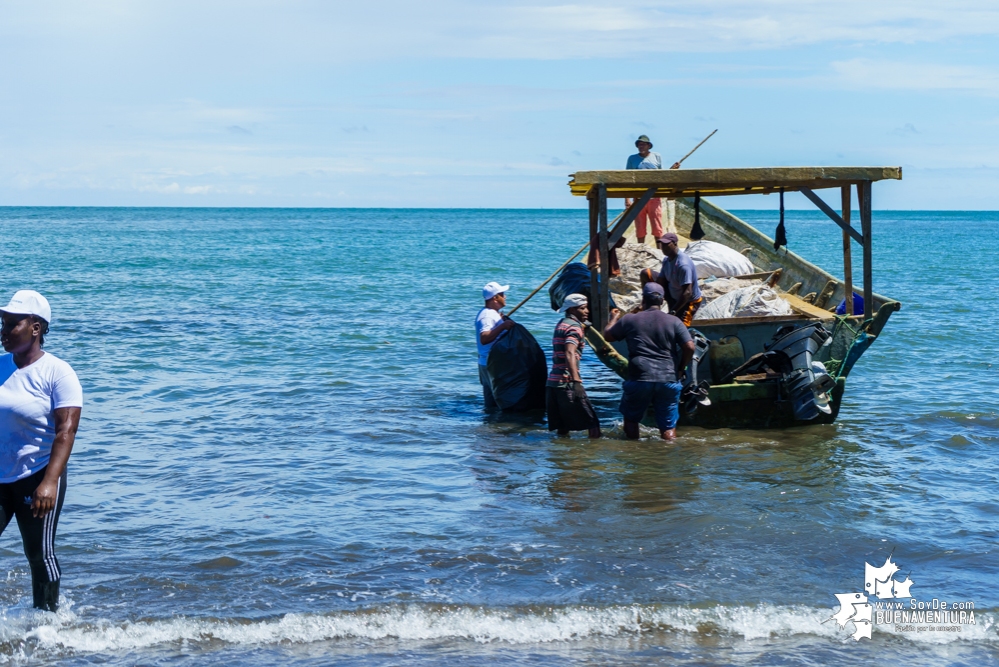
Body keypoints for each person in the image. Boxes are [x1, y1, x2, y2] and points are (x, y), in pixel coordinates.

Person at [0, 290, 82, 612]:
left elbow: (66, 431)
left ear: (36, 328)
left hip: (38, 475)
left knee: (38, 552)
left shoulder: (58, 373)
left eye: (10, 324)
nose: (3, 331)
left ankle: (47, 624)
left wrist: (49, 482)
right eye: (1, 324)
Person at [603, 283, 694, 441]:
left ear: (643, 299)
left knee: (631, 420)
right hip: (668, 378)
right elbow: (690, 347)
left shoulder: (630, 319)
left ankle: (636, 453)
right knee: (667, 426)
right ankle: (668, 453)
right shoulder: (674, 321)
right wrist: (681, 367)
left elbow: (608, 336)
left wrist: (613, 319)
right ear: (662, 301)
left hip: (640, 377)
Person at [546, 294, 601, 438]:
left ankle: (562, 457)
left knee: (563, 427)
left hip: (553, 383)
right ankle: (590, 456)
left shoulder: (562, 323)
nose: (587, 311)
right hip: (567, 382)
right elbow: (569, 353)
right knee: (592, 424)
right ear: (572, 309)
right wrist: (576, 382)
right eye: (582, 308)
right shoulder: (575, 328)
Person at [625, 135, 680, 244]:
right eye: (639, 144)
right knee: (640, 227)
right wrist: (627, 199)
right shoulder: (632, 158)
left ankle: (660, 251)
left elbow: (662, 175)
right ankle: (641, 249)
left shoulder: (656, 156)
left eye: (643, 144)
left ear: (649, 145)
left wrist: (672, 170)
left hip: (654, 197)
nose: (641, 146)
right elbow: (626, 179)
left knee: (657, 226)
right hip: (638, 197)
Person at [475, 281, 516, 409]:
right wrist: (503, 326)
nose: (505, 297)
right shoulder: (487, 316)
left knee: (492, 402)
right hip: (491, 364)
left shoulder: (491, 314)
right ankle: (496, 426)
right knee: (498, 400)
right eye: (502, 294)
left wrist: (500, 320)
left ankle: (490, 425)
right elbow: (484, 337)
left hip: (487, 363)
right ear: (495, 298)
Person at [656, 232, 703, 326]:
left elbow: (687, 293)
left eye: (666, 244)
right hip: (674, 295)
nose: (663, 247)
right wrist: (655, 295)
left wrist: (673, 311)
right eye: (662, 245)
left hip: (688, 302)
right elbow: (660, 280)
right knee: (646, 274)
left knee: (680, 329)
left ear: (675, 244)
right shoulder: (667, 260)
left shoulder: (682, 265)